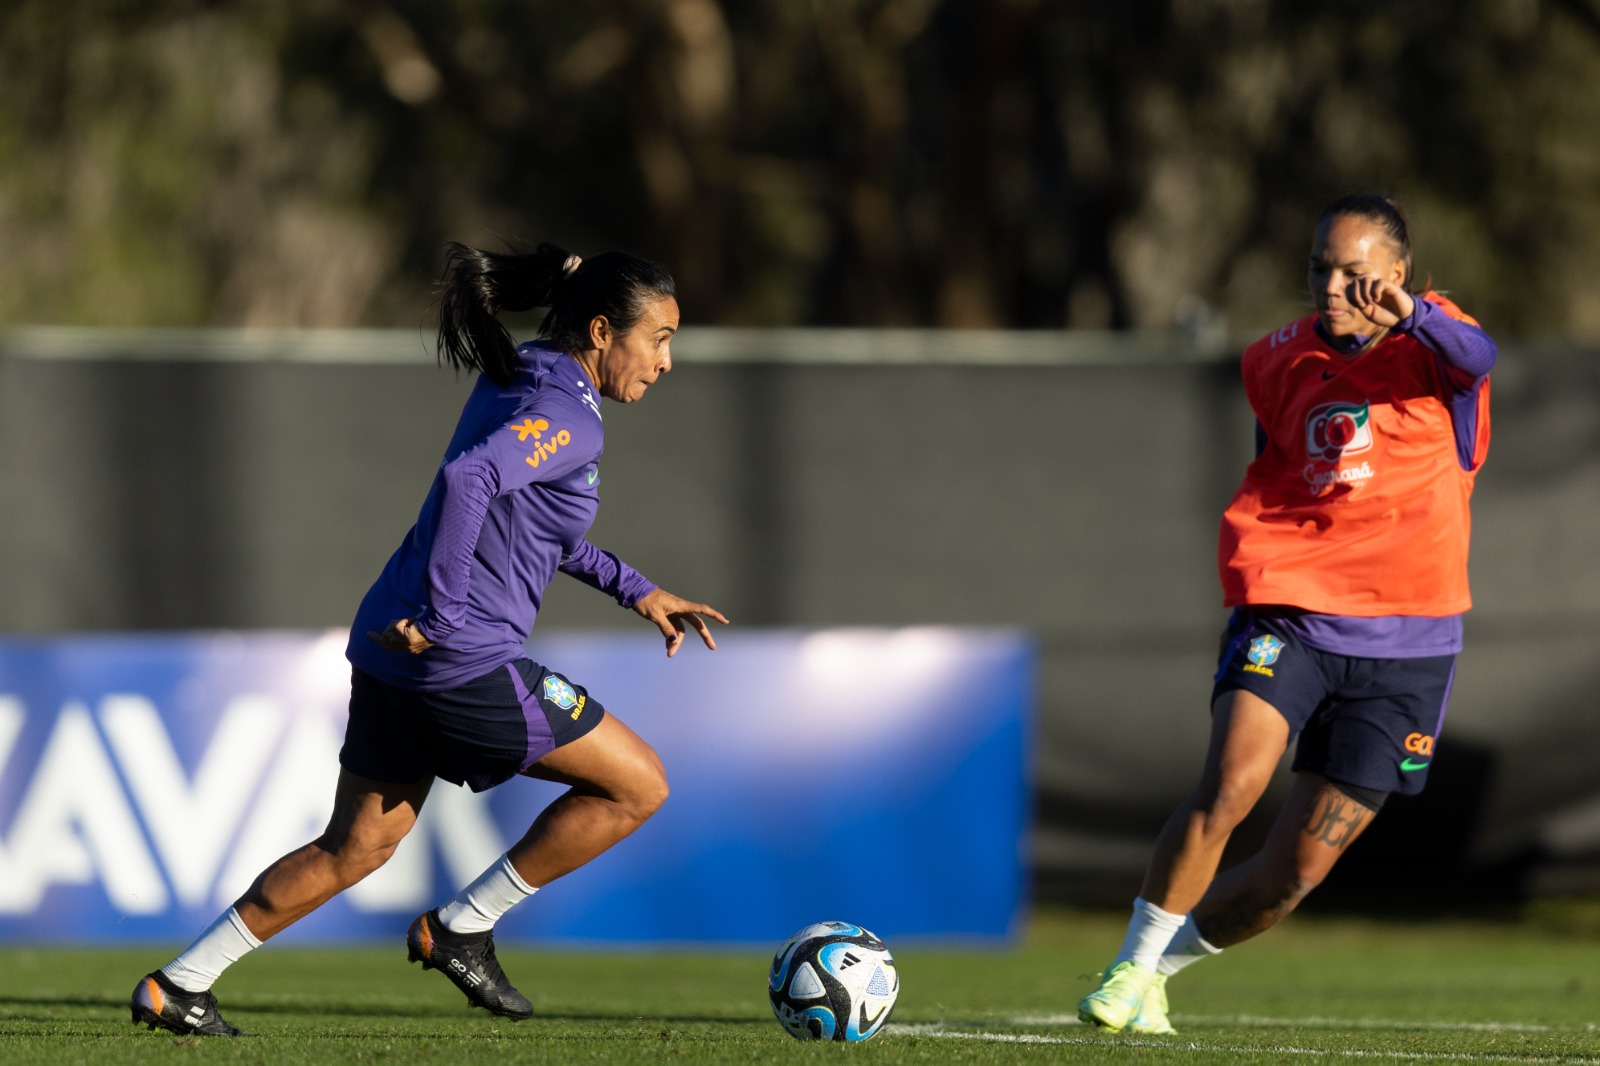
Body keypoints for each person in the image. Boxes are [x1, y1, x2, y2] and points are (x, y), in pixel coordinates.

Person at [130, 241, 728, 1037]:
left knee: (357, 846)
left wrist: (637, 589)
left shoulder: (528, 372)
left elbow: (538, 526)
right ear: (599, 332)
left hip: (390, 648)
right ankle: (464, 926)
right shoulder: (569, 419)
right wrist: (446, 619)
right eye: (659, 337)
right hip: (459, 659)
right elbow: (470, 480)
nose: (666, 360)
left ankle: (180, 984)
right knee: (638, 785)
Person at [1077, 194, 1495, 1035]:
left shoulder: (1440, 347)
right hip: (1292, 611)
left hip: (1409, 643)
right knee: (1231, 782)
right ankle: (1128, 965)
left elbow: (1477, 355)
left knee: (1292, 874)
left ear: (1397, 274)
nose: (1334, 287)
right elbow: (1279, 468)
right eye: (1320, 270)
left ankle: (1162, 971)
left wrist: (1410, 317)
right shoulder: (1276, 360)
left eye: (1356, 273)